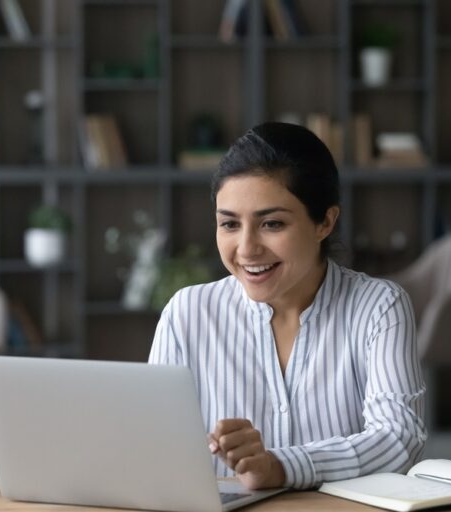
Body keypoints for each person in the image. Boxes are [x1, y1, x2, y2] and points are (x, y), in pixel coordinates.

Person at [148, 122, 426, 490]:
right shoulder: (187, 313)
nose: (246, 249)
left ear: (325, 222)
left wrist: (279, 466)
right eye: (230, 224)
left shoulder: (378, 307)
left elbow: (398, 438)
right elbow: (152, 449)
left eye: (272, 223)